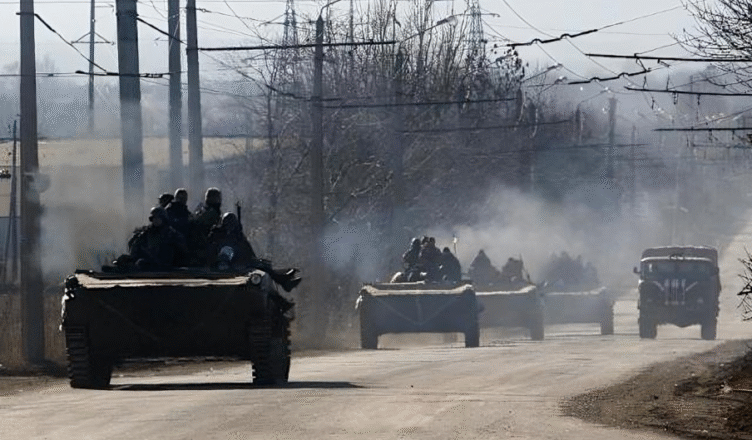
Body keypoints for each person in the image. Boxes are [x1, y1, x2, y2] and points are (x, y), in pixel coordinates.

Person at [188, 187, 223, 265]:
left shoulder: (206, 210)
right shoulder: (211, 212)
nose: (220, 199)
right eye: (217, 197)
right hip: (204, 246)